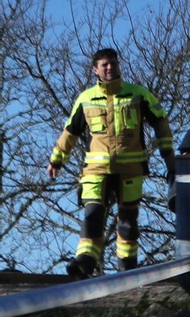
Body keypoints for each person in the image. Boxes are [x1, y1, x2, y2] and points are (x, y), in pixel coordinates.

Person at [46, 48, 176, 277]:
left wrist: (169, 158)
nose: (109, 67)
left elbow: (161, 123)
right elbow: (71, 132)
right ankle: (84, 263)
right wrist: (56, 160)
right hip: (96, 170)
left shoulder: (138, 94)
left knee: (127, 221)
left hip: (130, 169)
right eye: (104, 64)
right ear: (95, 69)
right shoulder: (86, 99)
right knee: (93, 214)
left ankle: (127, 269)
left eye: (113, 63)